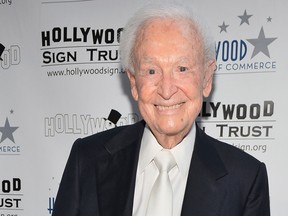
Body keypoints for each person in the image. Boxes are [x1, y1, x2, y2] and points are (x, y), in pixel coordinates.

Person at [52, 2, 270, 216]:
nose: (166, 90)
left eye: (182, 68)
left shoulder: (245, 179)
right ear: (134, 82)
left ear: (206, 78)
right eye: (151, 71)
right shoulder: (87, 158)